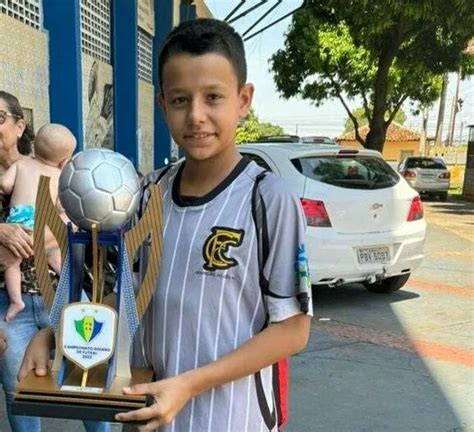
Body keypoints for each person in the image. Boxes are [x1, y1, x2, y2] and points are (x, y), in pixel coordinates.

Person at [20, 18, 312, 431]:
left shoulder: (267, 199)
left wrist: (188, 385)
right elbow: (118, 292)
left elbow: (293, 328)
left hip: (229, 418)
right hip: (143, 415)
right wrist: (54, 334)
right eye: (180, 100)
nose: (196, 116)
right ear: (162, 105)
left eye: (213, 97)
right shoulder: (145, 194)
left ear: (243, 99)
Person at [0, 91, 109, 432]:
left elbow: (78, 226)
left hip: (60, 292)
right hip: (6, 305)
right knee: (21, 393)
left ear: (20, 126)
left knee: (86, 381)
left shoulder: (57, 175)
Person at [0, 123, 76, 322]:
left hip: (21, 219)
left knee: (13, 263)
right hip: (45, 218)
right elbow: (64, 210)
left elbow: (5, 185)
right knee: (56, 254)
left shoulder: (22, 164)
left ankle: (16, 300)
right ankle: (67, 277)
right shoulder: (61, 176)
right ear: (64, 161)